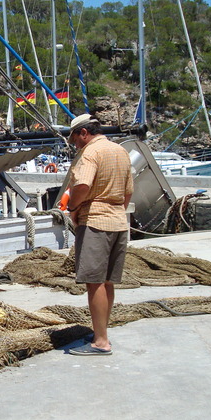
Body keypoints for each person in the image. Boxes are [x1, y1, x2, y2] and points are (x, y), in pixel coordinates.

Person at [64, 114, 133, 355]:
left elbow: (82, 185)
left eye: (74, 138)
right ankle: (102, 332)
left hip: (94, 221)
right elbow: (128, 193)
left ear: (84, 133)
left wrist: (72, 207)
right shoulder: (120, 151)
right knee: (107, 281)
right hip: (117, 221)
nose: (74, 144)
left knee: (94, 283)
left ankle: (101, 341)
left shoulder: (90, 153)